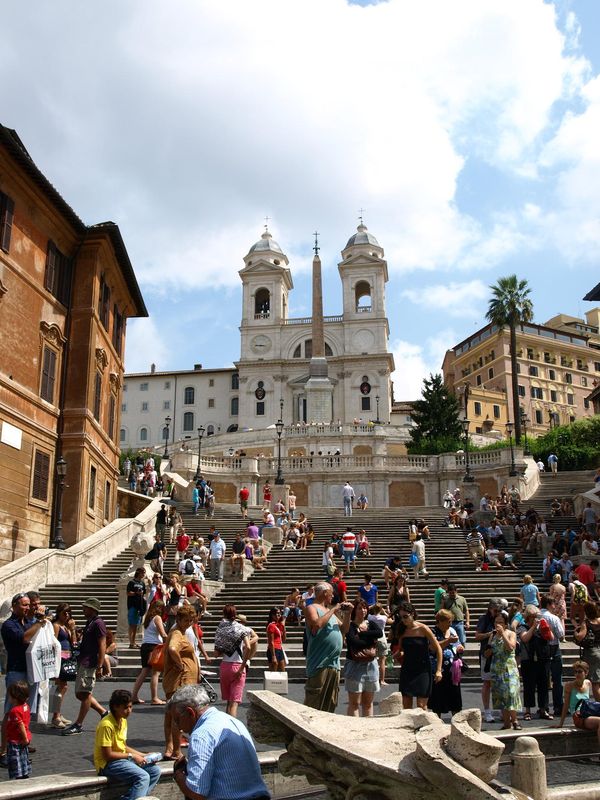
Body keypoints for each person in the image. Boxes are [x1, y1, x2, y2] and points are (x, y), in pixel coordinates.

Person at [169, 684, 271, 800]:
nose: (178, 726)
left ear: (190, 712)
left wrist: (179, 776)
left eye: (177, 720)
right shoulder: (231, 720)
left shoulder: (201, 734)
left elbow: (197, 793)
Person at [94, 689, 161, 800]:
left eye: (130, 707)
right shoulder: (106, 725)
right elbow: (107, 755)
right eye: (125, 708)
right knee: (143, 777)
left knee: (155, 771)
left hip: (122, 760)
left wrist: (143, 755)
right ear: (115, 707)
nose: (129, 711)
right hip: (107, 764)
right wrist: (133, 756)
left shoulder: (123, 720)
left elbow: (123, 746)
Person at [304, 583, 352, 712]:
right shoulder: (311, 608)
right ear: (325, 593)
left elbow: (345, 629)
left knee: (331, 699)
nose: (333, 595)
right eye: (331, 593)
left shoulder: (329, 611)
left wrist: (348, 614)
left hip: (333, 663)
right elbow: (316, 625)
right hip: (319, 662)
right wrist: (333, 610)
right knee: (314, 700)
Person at [62, 598, 107, 735]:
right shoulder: (90, 622)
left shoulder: (98, 623)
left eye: (86, 607)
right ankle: (104, 712)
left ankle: (79, 724)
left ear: (92, 609)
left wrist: (100, 665)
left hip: (90, 662)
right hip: (84, 660)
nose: (83, 609)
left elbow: (102, 644)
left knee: (84, 693)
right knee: (81, 693)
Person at [1, 592, 51, 716]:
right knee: (12, 709)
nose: (28, 608)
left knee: (26, 709)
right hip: (16, 671)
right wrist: (39, 623)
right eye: (24, 605)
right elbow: (24, 638)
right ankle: (7, 734)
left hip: (32, 670)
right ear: (14, 606)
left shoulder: (29, 623)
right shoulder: (9, 625)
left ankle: (23, 733)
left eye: (29, 605)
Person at [163, 606, 200, 761]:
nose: (189, 624)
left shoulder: (180, 632)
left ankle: (170, 749)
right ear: (178, 619)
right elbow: (172, 649)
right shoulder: (177, 633)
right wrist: (180, 664)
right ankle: (176, 751)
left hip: (180, 681)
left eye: (191, 620)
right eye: (186, 620)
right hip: (180, 681)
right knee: (178, 716)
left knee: (171, 716)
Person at [392, 601, 442, 710]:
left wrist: (438, 670)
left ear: (413, 614)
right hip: (408, 669)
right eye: (401, 617)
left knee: (421, 705)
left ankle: (423, 726)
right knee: (406, 706)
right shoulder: (401, 630)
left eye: (405, 616)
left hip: (423, 669)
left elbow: (438, 648)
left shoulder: (423, 629)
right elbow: (401, 650)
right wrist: (396, 655)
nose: (403, 620)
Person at [214, 605, 259, 717]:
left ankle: (225, 727)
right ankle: (232, 731)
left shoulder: (221, 628)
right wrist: (242, 667)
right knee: (234, 703)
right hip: (237, 665)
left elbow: (216, 653)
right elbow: (248, 647)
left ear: (224, 614)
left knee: (229, 702)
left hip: (225, 666)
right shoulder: (242, 628)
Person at [344, 599, 382, 717]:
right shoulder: (350, 625)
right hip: (355, 666)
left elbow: (379, 633)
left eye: (365, 607)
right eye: (360, 608)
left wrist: (362, 634)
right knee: (354, 703)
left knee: (368, 703)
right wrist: (370, 641)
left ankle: (367, 729)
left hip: (371, 665)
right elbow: (353, 642)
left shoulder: (371, 623)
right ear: (355, 610)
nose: (363, 610)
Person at [487, 611, 522, 730]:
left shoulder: (511, 633)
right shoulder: (492, 635)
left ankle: (515, 720)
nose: (498, 625)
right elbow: (487, 653)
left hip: (509, 667)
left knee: (511, 694)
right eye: (496, 622)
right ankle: (506, 722)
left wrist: (503, 635)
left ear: (506, 624)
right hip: (497, 667)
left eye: (500, 622)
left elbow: (511, 647)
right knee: (501, 696)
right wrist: (489, 649)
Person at [131, 600, 167, 706]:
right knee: (155, 672)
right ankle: (154, 698)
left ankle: (134, 696)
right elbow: (163, 634)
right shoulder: (157, 618)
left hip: (145, 646)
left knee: (144, 672)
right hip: (153, 647)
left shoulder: (148, 618)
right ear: (160, 608)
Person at [428, 609, 463, 718]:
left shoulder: (452, 630)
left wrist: (459, 647)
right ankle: (437, 723)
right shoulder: (432, 631)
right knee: (438, 697)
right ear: (440, 621)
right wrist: (447, 641)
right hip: (438, 670)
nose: (450, 624)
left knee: (455, 697)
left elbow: (457, 644)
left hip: (452, 670)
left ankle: (456, 722)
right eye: (448, 621)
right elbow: (432, 647)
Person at [50, 603, 77, 728]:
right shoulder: (56, 626)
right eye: (64, 613)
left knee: (64, 686)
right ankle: (55, 716)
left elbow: (74, 642)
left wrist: (72, 629)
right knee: (61, 686)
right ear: (59, 613)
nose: (67, 615)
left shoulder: (66, 627)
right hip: (59, 658)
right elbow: (53, 643)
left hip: (67, 657)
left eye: (68, 613)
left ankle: (58, 714)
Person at [475, 599, 501, 723]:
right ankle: (487, 711)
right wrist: (490, 634)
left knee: (500, 683)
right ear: (490, 608)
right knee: (487, 682)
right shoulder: (483, 619)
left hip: (500, 654)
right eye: (495, 610)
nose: (497, 612)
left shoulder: (502, 617)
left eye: (499, 610)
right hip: (487, 654)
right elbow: (477, 636)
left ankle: (501, 710)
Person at [5, 681, 32, 780]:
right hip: (24, 738)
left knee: (15, 760)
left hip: (16, 740)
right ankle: (25, 773)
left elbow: (20, 725)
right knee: (23, 757)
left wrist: (24, 738)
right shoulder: (26, 706)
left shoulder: (14, 711)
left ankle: (18, 776)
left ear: (15, 697)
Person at [574, 601, 600, 701]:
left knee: (595, 683)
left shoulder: (587, 622)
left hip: (592, 652)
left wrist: (576, 633)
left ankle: (598, 707)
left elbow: (580, 637)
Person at [554, 661, 592, 728]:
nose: (577, 674)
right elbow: (566, 706)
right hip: (578, 717)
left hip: (588, 714)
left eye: (580, 672)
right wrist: (561, 724)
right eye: (575, 672)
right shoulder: (569, 685)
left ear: (586, 673)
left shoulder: (588, 683)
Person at [126, 568, 147, 649]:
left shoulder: (142, 583)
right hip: (132, 605)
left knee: (136, 625)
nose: (143, 575)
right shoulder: (131, 582)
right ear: (138, 573)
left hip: (139, 606)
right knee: (132, 624)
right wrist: (135, 593)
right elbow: (128, 593)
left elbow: (143, 593)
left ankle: (133, 642)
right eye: (142, 573)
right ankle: (131, 642)